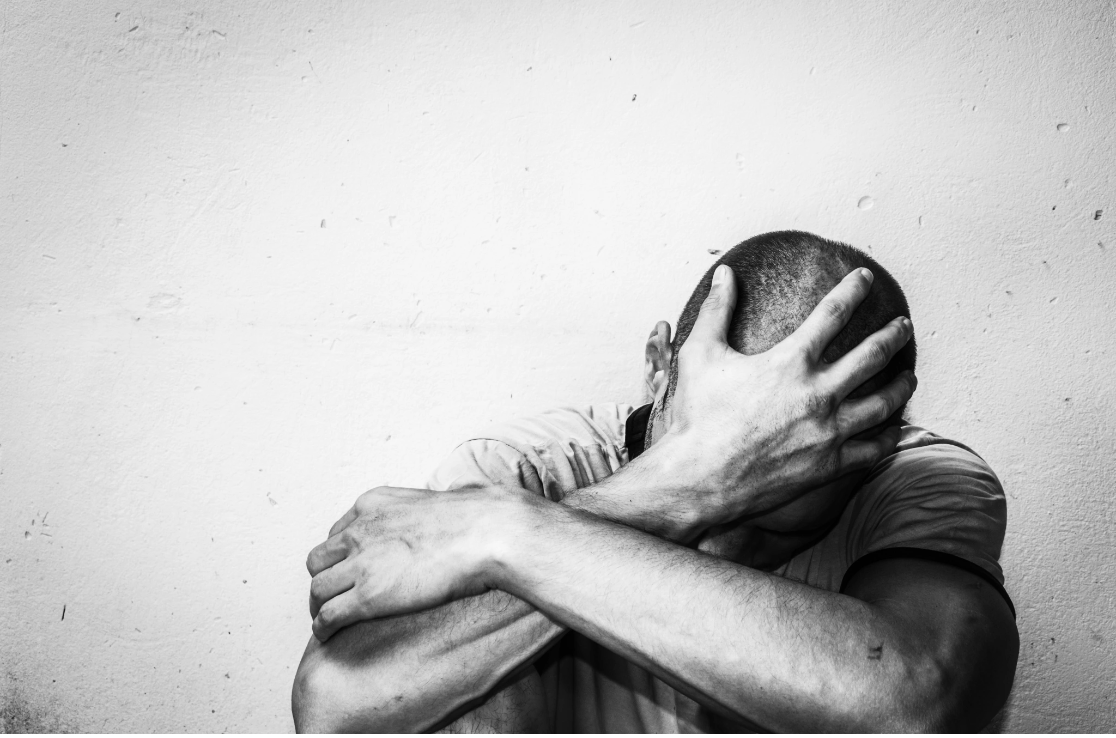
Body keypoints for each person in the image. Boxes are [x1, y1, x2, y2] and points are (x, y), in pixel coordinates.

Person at [291, 230, 1018, 732]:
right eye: (721, 452)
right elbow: (339, 705)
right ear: (658, 365)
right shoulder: (521, 472)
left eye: (777, 491)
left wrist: (511, 536)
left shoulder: (920, 480)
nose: (725, 532)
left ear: (871, 440)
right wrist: (676, 491)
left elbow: (912, 706)